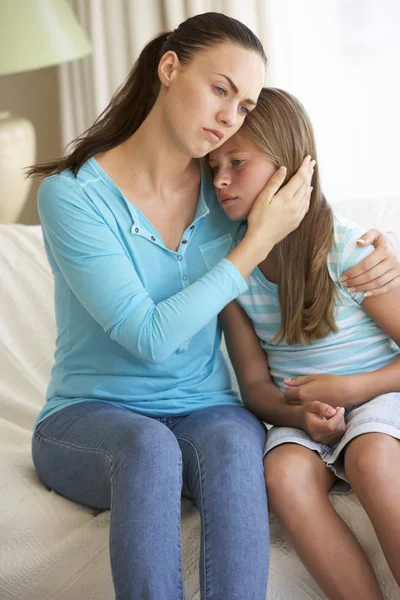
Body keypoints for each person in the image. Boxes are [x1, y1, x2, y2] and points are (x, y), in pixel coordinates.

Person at [209, 87, 400, 600]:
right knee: (283, 475)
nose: (221, 178)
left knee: (372, 459)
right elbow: (253, 385)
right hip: (308, 415)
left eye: (237, 162)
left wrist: (350, 387)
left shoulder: (349, 248)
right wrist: (300, 413)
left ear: (287, 166)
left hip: (380, 396)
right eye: (213, 166)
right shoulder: (233, 271)